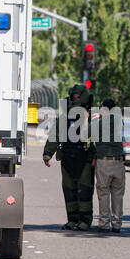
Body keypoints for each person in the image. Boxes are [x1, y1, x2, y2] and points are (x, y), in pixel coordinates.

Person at [42, 84, 96, 231]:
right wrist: (48, 153)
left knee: (84, 191)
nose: (76, 99)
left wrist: (97, 155)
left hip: (85, 158)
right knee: (69, 191)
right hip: (67, 157)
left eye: (78, 96)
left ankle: (85, 221)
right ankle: (72, 220)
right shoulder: (64, 117)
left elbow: (97, 137)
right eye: (74, 96)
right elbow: (55, 135)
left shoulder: (92, 115)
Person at [88, 99, 125, 233]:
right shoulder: (119, 120)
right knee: (118, 193)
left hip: (104, 162)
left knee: (103, 193)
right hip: (119, 162)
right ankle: (117, 224)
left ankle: (104, 223)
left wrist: (95, 119)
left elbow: (84, 135)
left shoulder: (99, 122)